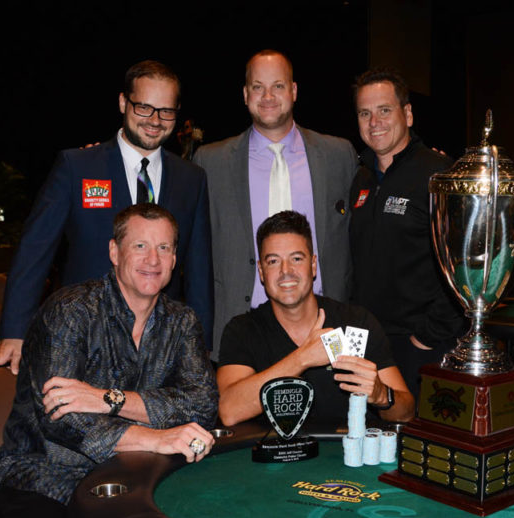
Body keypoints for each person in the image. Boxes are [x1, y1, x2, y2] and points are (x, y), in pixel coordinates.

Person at [0, 204, 218, 518]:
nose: (153, 260)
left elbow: (203, 406)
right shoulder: (71, 311)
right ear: (114, 251)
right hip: (42, 476)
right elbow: (63, 419)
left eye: (163, 247)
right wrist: (157, 438)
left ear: (174, 259)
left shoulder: (183, 322)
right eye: (140, 246)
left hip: (136, 475)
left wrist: (111, 399)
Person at [0, 60, 214, 375]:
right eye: (144, 108)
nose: (155, 120)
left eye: (166, 111)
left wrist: (200, 344)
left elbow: (198, 268)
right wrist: (14, 331)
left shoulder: (192, 179)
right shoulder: (77, 167)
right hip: (82, 342)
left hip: (162, 349)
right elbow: (34, 252)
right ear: (123, 102)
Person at [193, 50, 356, 361]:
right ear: (245, 94)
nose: (267, 96)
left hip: (324, 329)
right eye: (257, 87)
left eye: (278, 86)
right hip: (241, 331)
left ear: (293, 92)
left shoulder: (339, 155)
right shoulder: (210, 162)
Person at [217, 211, 414, 426]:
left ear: (313, 265)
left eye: (296, 259)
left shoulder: (356, 322)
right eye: (273, 261)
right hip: (278, 457)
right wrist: (303, 358)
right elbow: (229, 411)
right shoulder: (242, 330)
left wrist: (381, 395)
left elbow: (406, 413)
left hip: (347, 454)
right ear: (261, 272)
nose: (286, 271)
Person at [349, 68, 463, 399]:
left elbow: (462, 264)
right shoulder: (362, 178)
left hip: (421, 346)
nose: (374, 122)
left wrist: (428, 336)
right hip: (371, 345)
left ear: (408, 114)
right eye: (365, 113)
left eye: (384, 110)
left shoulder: (439, 174)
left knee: (419, 443)